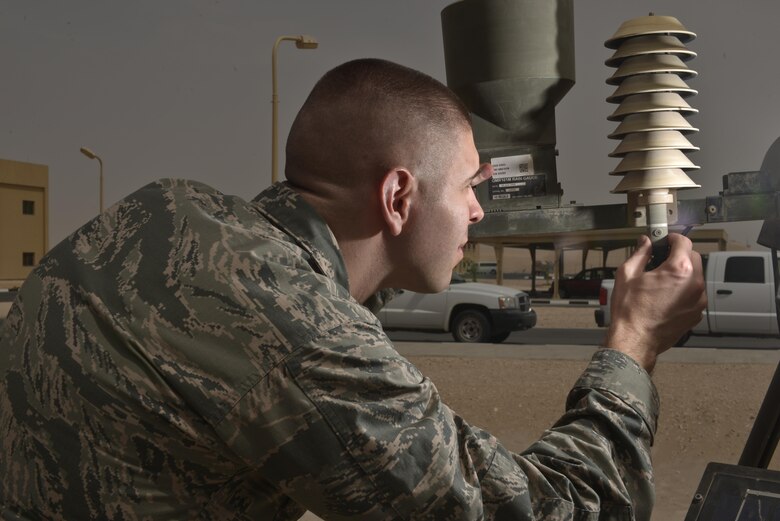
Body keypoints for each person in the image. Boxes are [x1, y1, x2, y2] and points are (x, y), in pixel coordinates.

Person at [0, 58, 705, 520]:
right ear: (399, 197)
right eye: (469, 187)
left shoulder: (170, 211)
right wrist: (633, 344)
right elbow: (558, 512)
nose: (478, 212)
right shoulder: (303, 336)